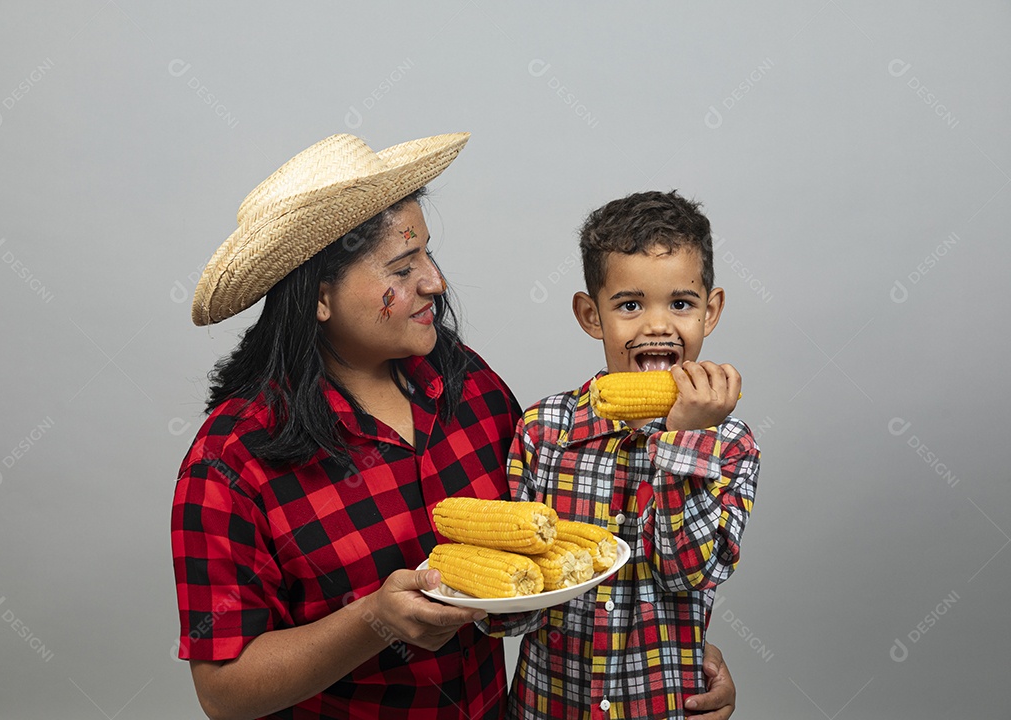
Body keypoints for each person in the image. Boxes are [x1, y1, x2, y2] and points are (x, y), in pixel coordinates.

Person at [171, 133, 739, 719]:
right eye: (402, 266)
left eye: (428, 254)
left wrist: (672, 652)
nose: (435, 282)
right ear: (319, 297)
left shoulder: (471, 387)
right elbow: (224, 692)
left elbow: (573, 541)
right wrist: (374, 620)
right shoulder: (230, 462)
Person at [488, 191, 760, 719]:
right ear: (591, 315)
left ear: (712, 309)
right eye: (630, 305)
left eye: (680, 304)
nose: (657, 325)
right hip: (548, 706)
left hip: (662, 706)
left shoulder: (730, 444)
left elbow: (687, 573)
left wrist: (684, 440)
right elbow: (513, 606)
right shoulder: (544, 431)